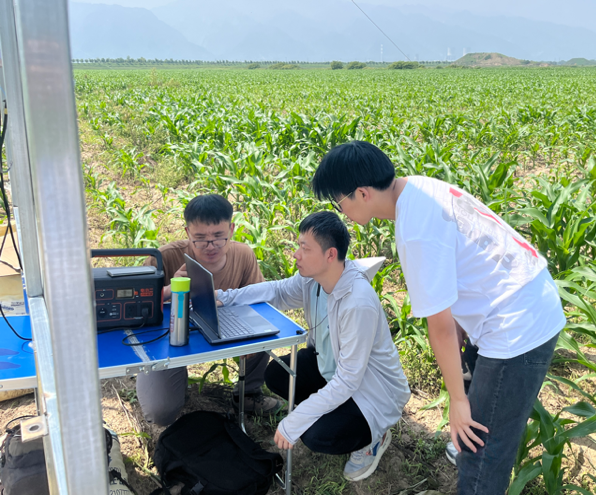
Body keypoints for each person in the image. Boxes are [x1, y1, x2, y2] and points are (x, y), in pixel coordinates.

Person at [311, 141, 566, 495]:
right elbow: (456, 277)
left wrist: (457, 402)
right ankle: (472, 434)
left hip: (517, 326)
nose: (341, 212)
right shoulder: (418, 188)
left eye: (340, 203)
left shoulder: (415, 230)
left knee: (483, 452)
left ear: (363, 194)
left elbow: (441, 328)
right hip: (527, 292)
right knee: (477, 422)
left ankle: (476, 464)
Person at [217, 211, 410, 481]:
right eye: (298, 245)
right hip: (331, 367)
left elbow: (348, 380)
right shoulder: (313, 280)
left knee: (315, 435)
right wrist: (224, 298)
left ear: (330, 255)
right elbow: (276, 291)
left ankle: (373, 438)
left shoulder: (357, 303)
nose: (296, 254)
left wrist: (296, 421)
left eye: (305, 249)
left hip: (370, 391)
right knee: (277, 374)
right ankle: (331, 411)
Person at [137, 194, 283, 426]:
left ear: (231, 229)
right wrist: (169, 290)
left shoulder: (243, 255)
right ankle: (175, 384)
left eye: (218, 237)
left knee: (264, 329)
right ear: (187, 233)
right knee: (160, 412)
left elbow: (260, 303)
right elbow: (135, 303)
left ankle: (247, 392)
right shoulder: (164, 257)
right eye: (200, 239)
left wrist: (252, 343)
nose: (210, 246)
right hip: (168, 340)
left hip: (224, 327)